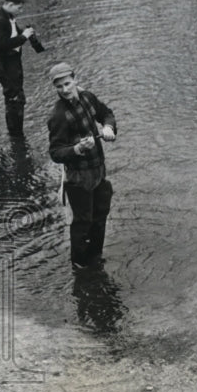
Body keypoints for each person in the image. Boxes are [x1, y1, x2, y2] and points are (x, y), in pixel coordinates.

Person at [47, 62, 117, 270]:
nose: (65, 90)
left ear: (75, 80)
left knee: (100, 217)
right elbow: (55, 152)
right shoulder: (58, 116)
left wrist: (108, 127)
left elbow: (106, 113)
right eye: (59, 87)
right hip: (77, 178)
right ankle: (79, 266)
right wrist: (77, 149)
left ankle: (96, 259)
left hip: (98, 171)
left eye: (67, 84)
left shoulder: (88, 97)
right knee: (81, 224)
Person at [0, 0, 35, 136]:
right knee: (13, 97)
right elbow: (2, 44)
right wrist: (24, 37)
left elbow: (13, 33)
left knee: (17, 94)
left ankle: (16, 130)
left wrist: (25, 32)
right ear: (9, 4)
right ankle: (15, 133)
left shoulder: (9, 17)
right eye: (19, 8)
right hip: (5, 66)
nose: (21, 11)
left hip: (12, 63)